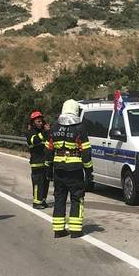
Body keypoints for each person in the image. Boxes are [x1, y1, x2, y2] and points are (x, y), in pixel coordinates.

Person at [48, 99, 93, 238]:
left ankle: (58, 230)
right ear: (76, 110)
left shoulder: (54, 126)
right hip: (75, 169)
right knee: (77, 197)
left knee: (59, 198)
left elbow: (49, 150)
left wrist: (48, 168)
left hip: (58, 168)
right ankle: (75, 230)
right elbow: (86, 151)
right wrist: (89, 170)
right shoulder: (80, 127)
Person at [26, 110, 51, 209]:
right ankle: (36, 202)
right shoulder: (30, 132)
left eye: (41, 121)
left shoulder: (43, 132)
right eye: (38, 121)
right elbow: (34, 140)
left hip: (45, 161)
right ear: (33, 123)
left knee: (45, 182)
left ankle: (43, 200)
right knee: (38, 183)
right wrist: (44, 132)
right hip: (36, 162)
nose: (40, 123)